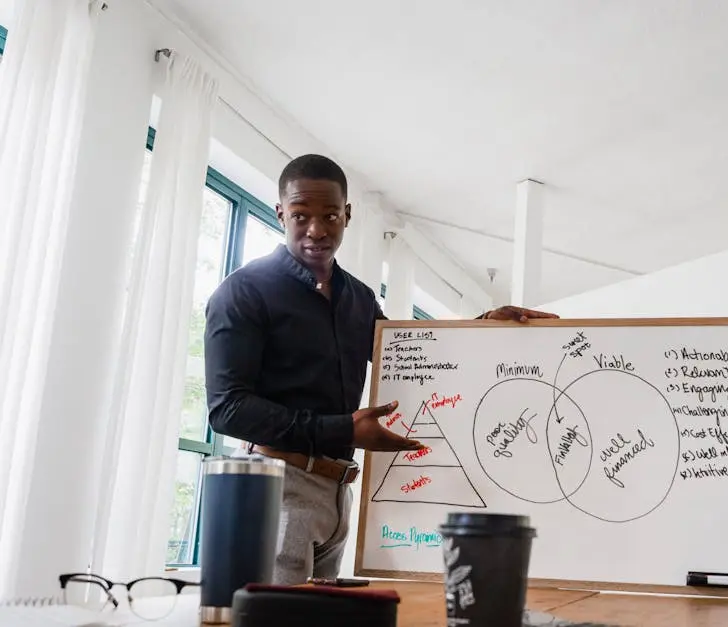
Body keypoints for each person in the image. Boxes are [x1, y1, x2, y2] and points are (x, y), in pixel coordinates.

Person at [203, 154, 558, 585]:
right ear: (281, 213)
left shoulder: (360, 298)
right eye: (300, 215)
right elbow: (227, 409)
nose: (316, 229)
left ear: (347, 216)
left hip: (340, 494)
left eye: (330, 215)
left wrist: (483, 327)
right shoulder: (243, 291)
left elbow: (412, 355)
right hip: (278, 491)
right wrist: (344, 431)